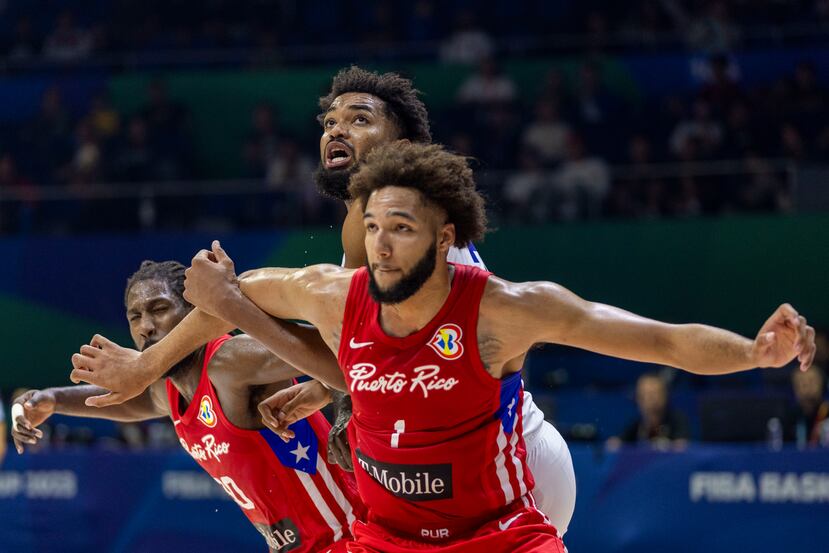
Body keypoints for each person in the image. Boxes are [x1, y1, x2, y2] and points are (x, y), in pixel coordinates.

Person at [74, 142, 814, 552]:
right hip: (384, 539)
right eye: (373, 228)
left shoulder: (504, 310)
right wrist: (145, 365)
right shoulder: (334, 294)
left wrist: (753, 353)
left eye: (401, 228)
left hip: (497, 535)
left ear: (445, 237)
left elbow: (661, 340)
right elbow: (223, 298)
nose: (380, 244)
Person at [76, 66, 579, 536]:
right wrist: (323, 389)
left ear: (401, 146)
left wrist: (146, 366)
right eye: (330, 122)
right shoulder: (377, 224)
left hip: (498, 461)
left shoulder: (384, 219)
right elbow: (371, 359)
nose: (336, 130)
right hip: (490, 458)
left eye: (359, 119)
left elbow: (250, 301)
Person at [12, 260, 361, 553]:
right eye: (135, 316)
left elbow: (342, 347)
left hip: (349, 537)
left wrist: (328, 390)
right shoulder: (171, 388)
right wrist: (52, 399)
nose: (146, 326)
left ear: (193, 313)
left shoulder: (230, 361)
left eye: (159, 309)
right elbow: (137, 402)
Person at [606, 372, 690, 450]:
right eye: (643, 394)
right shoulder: (636, 425)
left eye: (653, 394)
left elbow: (682, 448)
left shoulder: (677, 421)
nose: (649, 399)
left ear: (664, 395)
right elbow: (614, 445)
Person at [784, 365, 828, 447]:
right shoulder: (788, 416)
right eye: (801, 382)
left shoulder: (826, 411)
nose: (807, 387)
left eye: (811, 381)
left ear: (821, 384)